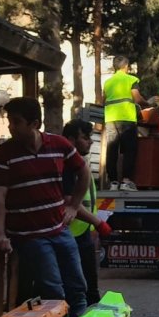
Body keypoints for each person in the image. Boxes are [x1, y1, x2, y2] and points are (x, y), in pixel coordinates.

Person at [0, 97, 89, 317]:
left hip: (60, 228)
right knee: (53, 289)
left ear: (34, 124)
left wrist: (73, 206)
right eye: (9, 121)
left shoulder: (59, 144)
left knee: (78, 286)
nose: (10, 127)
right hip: (30, 235)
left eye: (16, 122)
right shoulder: (2, 154)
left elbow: (84, 172)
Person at [62, 119, 112, 307]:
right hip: (69, 234)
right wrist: (98, 223)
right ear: (70, 140)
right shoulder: (67, 166)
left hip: (81, 233)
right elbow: (69, 202)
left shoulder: (79, 164)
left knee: (89, 286)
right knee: (78, 288)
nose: (90, 142)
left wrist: (92, 226)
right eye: (85, 138)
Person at [103, 56, 148, 191]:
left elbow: (103, 99)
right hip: (126, 118)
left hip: (110, 118)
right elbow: (137, 98)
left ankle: (113, 183)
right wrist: (149, 103)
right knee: (129, 150)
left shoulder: (108, 82)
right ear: (126, 67)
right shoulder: (131, 79)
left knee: (112, 150)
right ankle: (126, 181)